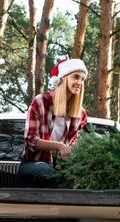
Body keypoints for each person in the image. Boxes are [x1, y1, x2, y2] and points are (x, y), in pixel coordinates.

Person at [17, 58, 88, 187]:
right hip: (33, 163)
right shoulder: (40, 102)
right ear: (63, 78)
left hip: (61, 167)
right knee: (47, 172)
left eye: (82, 79)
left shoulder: (80, 113)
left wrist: (72, 150)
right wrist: (60, 146)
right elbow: (31, 140)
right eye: (76, 77)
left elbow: (74, 144)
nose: (79, 82)